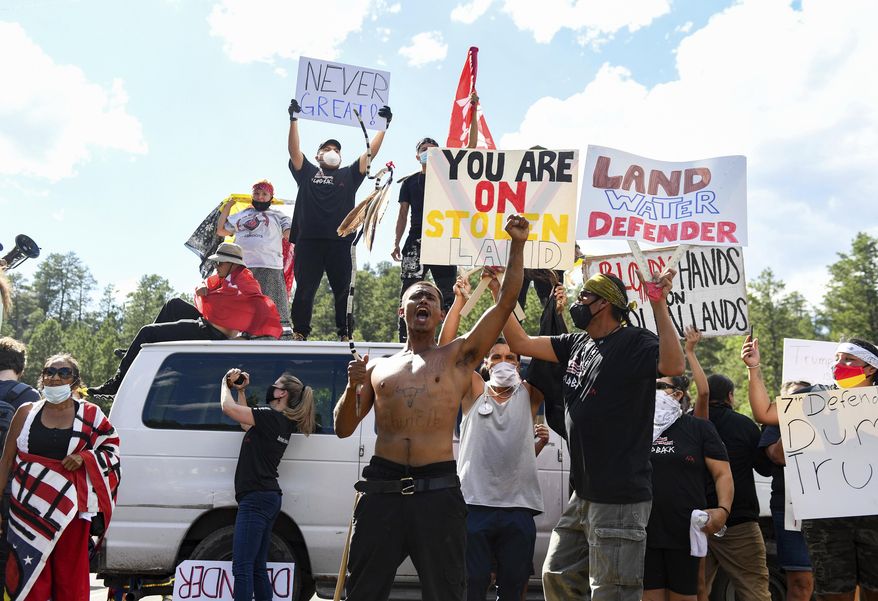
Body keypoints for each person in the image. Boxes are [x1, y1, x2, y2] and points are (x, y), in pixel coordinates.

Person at [333, 214, 530, 601]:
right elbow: (344, 426)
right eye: (415, 296)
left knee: (445, 592)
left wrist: (518, 245)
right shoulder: (377, 367)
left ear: (441, 315)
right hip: (382, 489)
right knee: (364, 591)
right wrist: (352, 385)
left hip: (437, 492)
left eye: (431, 298)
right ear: (401, 312)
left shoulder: (457, 357)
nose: (423, 300)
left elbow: (507, 301)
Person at [500, 269, 685, 601]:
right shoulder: (577, 343)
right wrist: (501, 290)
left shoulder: (634, 341)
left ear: (604, 303)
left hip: (619, 498)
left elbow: (673, 366)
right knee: (557, 575)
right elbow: (520, 342)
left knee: (611, 593)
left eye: (584, 296)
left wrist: (659, 305)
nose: (577, 303)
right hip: (583, 494)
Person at [744, 336, 878, 601]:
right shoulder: (813, 396)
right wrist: (753, 369)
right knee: (833, 591)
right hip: (826, 516)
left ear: (871, 368)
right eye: (837, 359)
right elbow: (764, 412)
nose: (840, 365)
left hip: (873, 513)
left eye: (849, 360)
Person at [439, 274, 547, 601]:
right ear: (485, 364)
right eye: (496, 357)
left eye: (510, 357)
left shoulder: (531, 393)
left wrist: (503, 293)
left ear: (520, 364)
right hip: (474, 504)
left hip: (518, 508)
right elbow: (447, 353)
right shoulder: (474, 391)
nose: (503, 362)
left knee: (514, 588)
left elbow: (542, 352)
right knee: (471, 585)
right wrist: (459, 302)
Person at [0, 353, 120, 600]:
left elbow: (112, 450)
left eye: (64, 373)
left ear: (75, 382)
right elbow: (6, 462)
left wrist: (85, 458)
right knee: (29, 579)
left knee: (70, 581)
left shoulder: (91, 415)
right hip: (26, 513)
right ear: (42, 378)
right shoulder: (25, 412)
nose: (55, 377)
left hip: (71, 512)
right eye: (49, 372)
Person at [88, 243, 281, 396]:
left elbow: (263, 309)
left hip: (213, 334)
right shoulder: (226, 279)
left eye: (220, 262)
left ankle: (117, 382)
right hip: (207, 324)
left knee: (147, 332)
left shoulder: (246, 283)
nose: (216, 266)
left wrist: (245, 337)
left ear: (233, 264)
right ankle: (138, 350)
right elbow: (206, 285)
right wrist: (204, 289)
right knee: (174, 304)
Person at [286, 98, 392, 341]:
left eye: (336, 150)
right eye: (327, 149)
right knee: (304, 290)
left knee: (344, 290)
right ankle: (300, 331)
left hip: (340, 242)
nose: (332, 152)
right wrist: (294, 120)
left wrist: (383, 127)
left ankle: (345, 334)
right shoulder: (308, 172)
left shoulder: (350, 175)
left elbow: (370, 153)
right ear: (318, 154)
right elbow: (293, 151)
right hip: (309, 241)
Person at [220, 366, 315, 601]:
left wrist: (226, 383)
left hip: (255, 499)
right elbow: (246, 423)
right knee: (257, 567)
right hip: (268, 498)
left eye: (276, 384)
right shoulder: (281, 422)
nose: (272, 387)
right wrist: (241, 391)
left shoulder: (269, 416)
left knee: (241, 567)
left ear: (282, 394)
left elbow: (228, 408)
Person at [644, 365, 733, 601]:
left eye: (661, 386)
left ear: (678, 394)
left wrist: (723, 510)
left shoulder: (699, 428)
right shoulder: (636, 428)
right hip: (642, 531)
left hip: (684, 532)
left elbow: (722, 474)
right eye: (651, 387)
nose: (654, 391)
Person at [699, 369, 774, 601]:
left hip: (695, 521)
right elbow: (766, 468)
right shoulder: (744, 425)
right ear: (730, 396)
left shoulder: (687, 423)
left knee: (693, 591)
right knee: (754, 591)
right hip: (738, 520)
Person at [391, 136, 456, 342]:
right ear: (418, 156)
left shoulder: (450, 179)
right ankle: (405, 340)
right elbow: (402, 214)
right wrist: (396, 242)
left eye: (433, 149)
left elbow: (469, 150)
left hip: (442, 241)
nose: (428, 152)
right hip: (416, 240)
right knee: (410, 290)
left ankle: (446, 341)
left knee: (448, 293)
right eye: (424, 149)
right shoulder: (409, 182)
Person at [755, 380, 815, 601]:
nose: (798, 401)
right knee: (801, 581)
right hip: (791, 509)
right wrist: (795, 418)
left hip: (830, 510)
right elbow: (778, 456)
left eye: (803, 397)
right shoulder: (774, 426)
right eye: (792, 398)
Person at [217, 179, 293, 335]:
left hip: (269, 266)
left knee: (271, 306)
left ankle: (277, 337)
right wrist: (227, 207)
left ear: (271, 197)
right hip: (242, 267)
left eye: (264, 194)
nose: (260, 197)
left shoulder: (278, 216)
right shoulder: (242, 214)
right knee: (244, 306)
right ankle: (242, 336)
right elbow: (221, 231)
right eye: (257, 193)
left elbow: (289, 235)